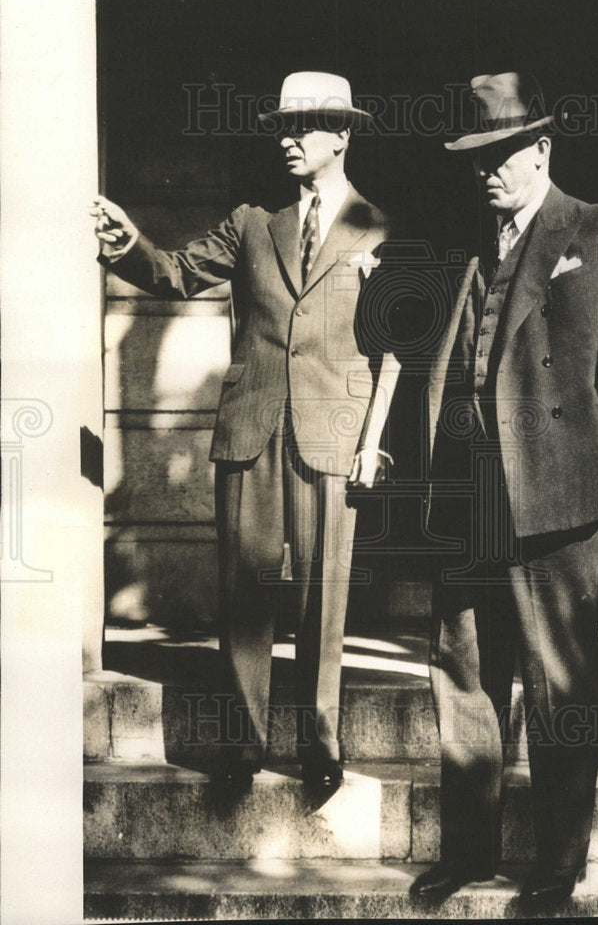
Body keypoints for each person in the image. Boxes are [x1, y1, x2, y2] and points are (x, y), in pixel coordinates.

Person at [410, 72, 598, 910]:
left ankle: (555, 870)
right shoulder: (474, 240)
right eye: (477, 157)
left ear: (541, 149)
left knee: (559, 687)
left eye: (504, 154)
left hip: (557, 490)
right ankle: (468, 855)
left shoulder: (595, 226)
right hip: (471, 492)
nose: (488, 173)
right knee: (464, 678)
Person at [91, 71, 402, 798]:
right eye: (283, 128)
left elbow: (394, 348)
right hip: (252, 431)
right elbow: (170, 274)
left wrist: (373, 440)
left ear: (343, 135)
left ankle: (321, 744)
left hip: (335, 433)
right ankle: (241, 742)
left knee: (324, 596)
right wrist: (127, 243)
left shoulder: (380, 229)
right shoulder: (251, 224)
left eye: (305, 127)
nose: (289, 140)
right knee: (246, 593)